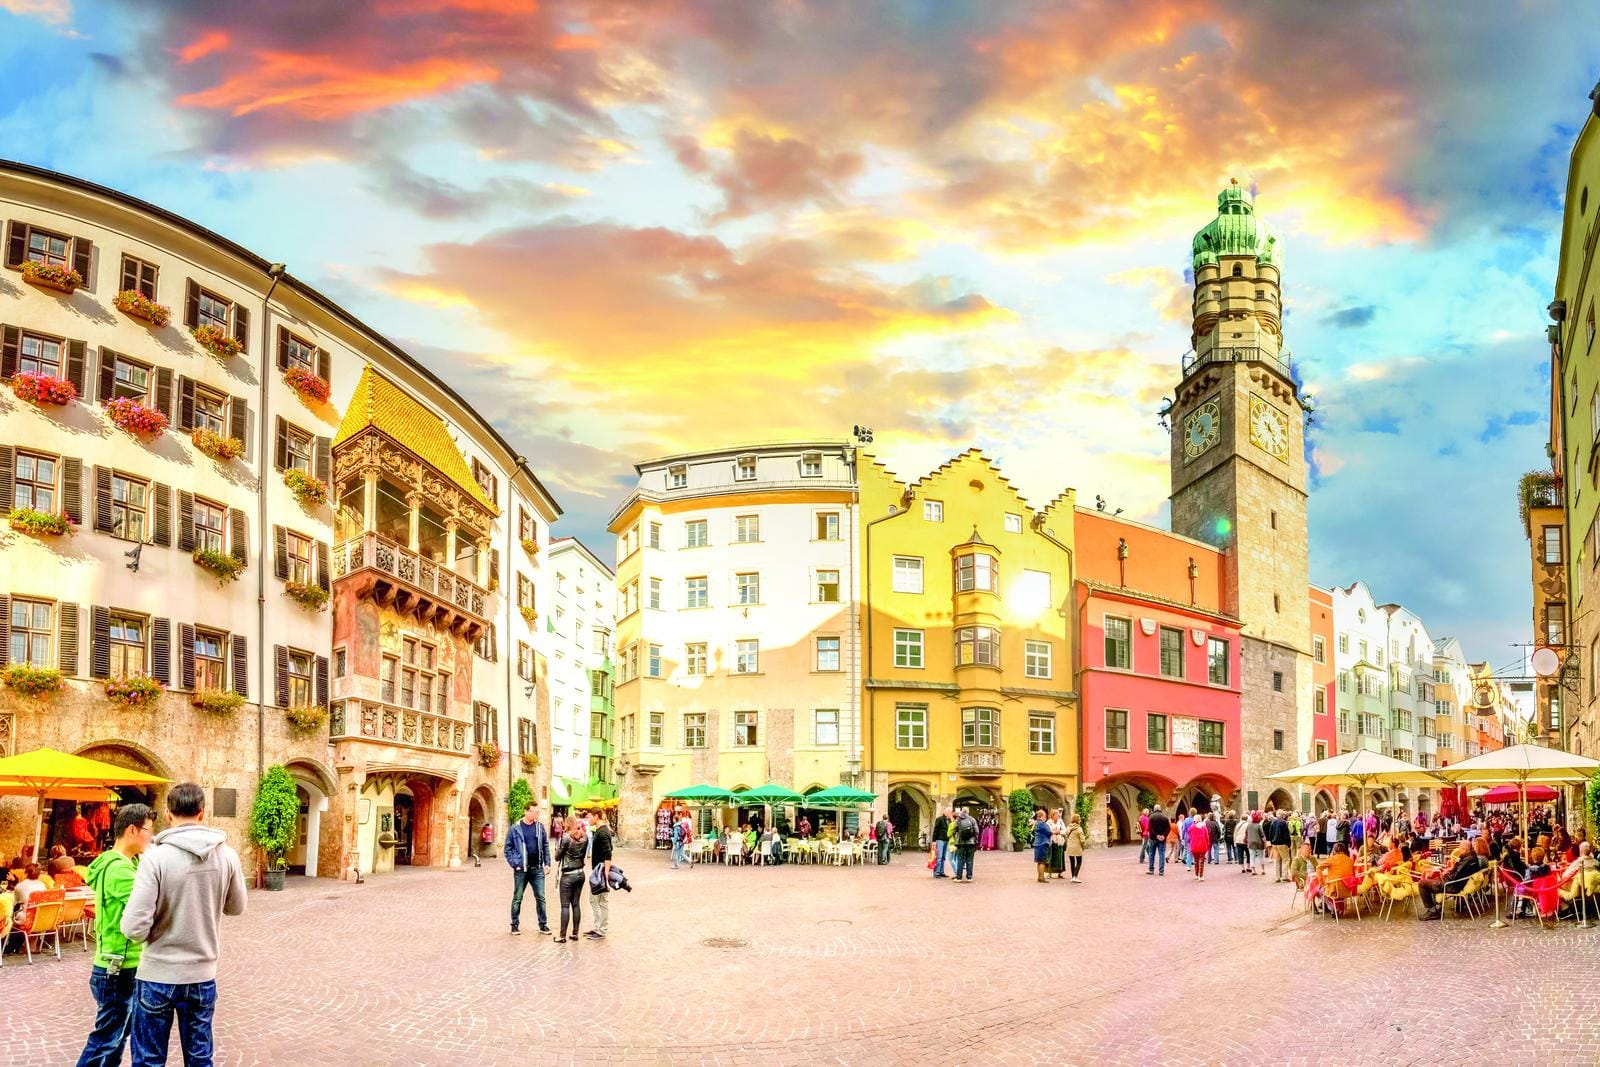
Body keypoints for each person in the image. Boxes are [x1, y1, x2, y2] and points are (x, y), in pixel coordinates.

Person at [122, 783, 247, 1067]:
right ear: (203, 813)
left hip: (157, 974)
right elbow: (236, 907)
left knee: (149, 1061)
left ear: (168, 814)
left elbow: (132, 927)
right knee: (200, 1059)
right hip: (202, 974)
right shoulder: (227, 855)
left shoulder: (155, 857)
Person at [76, 802, 154, 1067]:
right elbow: (147, 906)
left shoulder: (126, 863)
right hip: (117, 968)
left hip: (118, 966)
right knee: (106, 1039)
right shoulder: (120, 869)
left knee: (117, 1037)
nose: (151, 837)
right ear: (133, 830)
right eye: (148, 830)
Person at [504, 801, 551, 935]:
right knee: (518, 897)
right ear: (526, 811)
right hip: (521, 869)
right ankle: (514, 924)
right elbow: (508, 849)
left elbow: (545, 846)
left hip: (537, 869)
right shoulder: (515, 828)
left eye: (537, 812)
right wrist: (515, 863)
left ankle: (543, 925)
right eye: (534, 812)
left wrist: (547, 863)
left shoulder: (539, 827)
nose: (536, 814)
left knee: (541, 897)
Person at [553, 815, 588, 943]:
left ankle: (562, 936)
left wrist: (557, 848)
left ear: (567, 824)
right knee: (576, 904)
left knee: (565, 906)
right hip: (580, 873)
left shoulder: (566, 838)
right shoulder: (585, 837)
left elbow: (557, 857)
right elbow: (583, 854)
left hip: (568, 875)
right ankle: (575, 933)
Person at [586, 809, 614, 940]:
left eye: (589, 817)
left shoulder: (603, 832)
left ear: (596, 816)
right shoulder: (600, 831)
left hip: (601, 871)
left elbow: (608, 854)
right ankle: (598, 927)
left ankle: (601, 929)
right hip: (598, 870)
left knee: (602, 901)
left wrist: (606, 874)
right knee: (595, 899)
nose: (588, 819)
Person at [951, 808, 978, 882]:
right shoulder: (972, 819)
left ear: (961, 812)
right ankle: (969, 877)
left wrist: (956, 838)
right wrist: (975, 840)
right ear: (968, 812)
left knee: (960, 859)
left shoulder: (958, 820)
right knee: (969, 859)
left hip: (960, 842)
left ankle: (959, 877)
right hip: (970, 842)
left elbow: (954, 831)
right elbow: (976, 831)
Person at [1145, 805, 1171, 877]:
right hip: (1162, 839)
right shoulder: (1165, 817)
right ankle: (1161, 871)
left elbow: (1150, 829)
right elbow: (1168, 828)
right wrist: (1163, 835)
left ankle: (1151, 869)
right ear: (1160, 809)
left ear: (1154, 809)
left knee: (1151, 854)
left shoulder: (1151, 817)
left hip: (1153, 838)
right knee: (1162, 854)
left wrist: (1156, 835)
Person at [1187, 811, 1211, 881]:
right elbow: (1207, 837)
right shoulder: (1204, 827)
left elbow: (1189, 834)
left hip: (1194, 846)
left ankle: (1196, 875)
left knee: (1196, 861)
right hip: (1202, 846)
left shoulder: (1192, 827)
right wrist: (1208, 846)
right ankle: (1201, 876)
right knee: (1202, 861)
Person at [1064, 814, 1087, 883]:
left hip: (1070, 847)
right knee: (1079, 862)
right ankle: (1075, 876)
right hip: (1077, 848)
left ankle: (1073, 876)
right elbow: (1082, 840)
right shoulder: (1079, 829)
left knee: (1072, 862)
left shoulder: (1069, 827)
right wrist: (1083, 845)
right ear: (1078, 820)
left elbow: (1065, 834)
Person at [1031, 809, 1051, 884]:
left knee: (1039, 862)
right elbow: (1048, 832)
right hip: (1042, 843)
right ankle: (1042, 877)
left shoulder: (1036, 823)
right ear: (1042, 816)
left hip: (1037, 843)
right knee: (1042, 861)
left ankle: (1039, 877)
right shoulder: (1042, 823)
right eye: (1045, 815)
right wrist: (1054, 832)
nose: (1045, 817)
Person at [1047, 808, 1067, 880]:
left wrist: (1060, 832)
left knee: (1060, 857)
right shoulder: (1049, 822)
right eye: (1056, 815)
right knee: (1051, 857)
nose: (1058, 816)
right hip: (1052, 841)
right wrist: (1053, 832)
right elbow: (1047, 830)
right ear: (1052, 815)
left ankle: (1060, 873)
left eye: (1058, 815)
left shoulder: (1061, 821)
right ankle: (1049, 873)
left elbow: (1065, 830)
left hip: (1059, 842)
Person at [931, 808, 951, 878]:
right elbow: (935, 830)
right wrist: (934, 840)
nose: (950, 814)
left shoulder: (950, 820)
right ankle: (936, 873)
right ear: (945, 812)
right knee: (939, 857)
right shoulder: (939, 819)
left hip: (946, 840)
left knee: (943, 857)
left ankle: (941, 872)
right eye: (949, 812)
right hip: (940, 840)